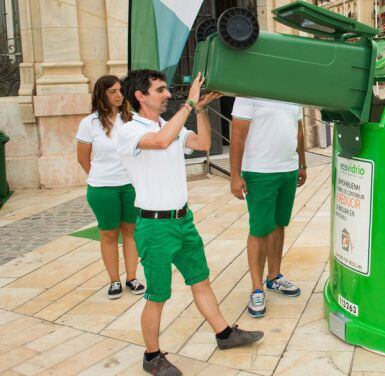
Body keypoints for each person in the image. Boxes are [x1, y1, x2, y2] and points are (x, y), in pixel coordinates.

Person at [116, 70, 263, 376]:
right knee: (158, 295)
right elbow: (160, 141)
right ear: (140, 96)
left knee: (201, 280)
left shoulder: (167, 124)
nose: (168, 94)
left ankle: (224, 334)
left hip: (183, 220)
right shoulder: (128, 129)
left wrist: (201, 111)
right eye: (160, 90)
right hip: (155, 227)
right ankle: (151, 356)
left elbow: (204, 142)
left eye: (167, 89)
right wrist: (189, 103)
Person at [229, 97, 306, 318]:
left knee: (278, 224)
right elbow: (238, 135)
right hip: (260, 171)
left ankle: (274, 277)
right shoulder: (248, 93)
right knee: (259, 229)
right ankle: (256, 288)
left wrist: (301, 163)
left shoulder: (292, 90)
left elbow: (299, 131)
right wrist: (235, 175)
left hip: (288, 169)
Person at [76, 75, 145, 299]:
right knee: (107, 233)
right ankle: (114, 281)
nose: (118, 95)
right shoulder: (89, 123)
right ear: (101, 95)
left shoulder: (132, 119)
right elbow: (82, 158)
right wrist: (100, 176)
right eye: (112, 91)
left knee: (130, 231)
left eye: (119, 90)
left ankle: (132, 278)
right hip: (102, 188)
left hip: (130, 186)